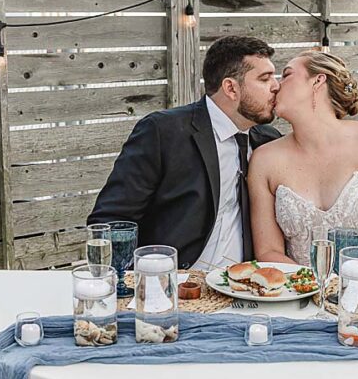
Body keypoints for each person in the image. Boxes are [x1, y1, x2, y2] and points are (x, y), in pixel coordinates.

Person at [87, 36, 281, 270]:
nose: (276, 86)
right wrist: (142, 282)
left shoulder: (269, 142)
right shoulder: (163, 132)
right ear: (231, 88)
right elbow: (111, 221)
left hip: (244, 286)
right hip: (175, 284)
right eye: (264, 78)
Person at [248, 50, 358, 272]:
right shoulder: (264, 159)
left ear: (317, 81)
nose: (276, 86)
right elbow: (268, 251)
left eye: (286, 75)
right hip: (296, 294)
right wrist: (315, 291)